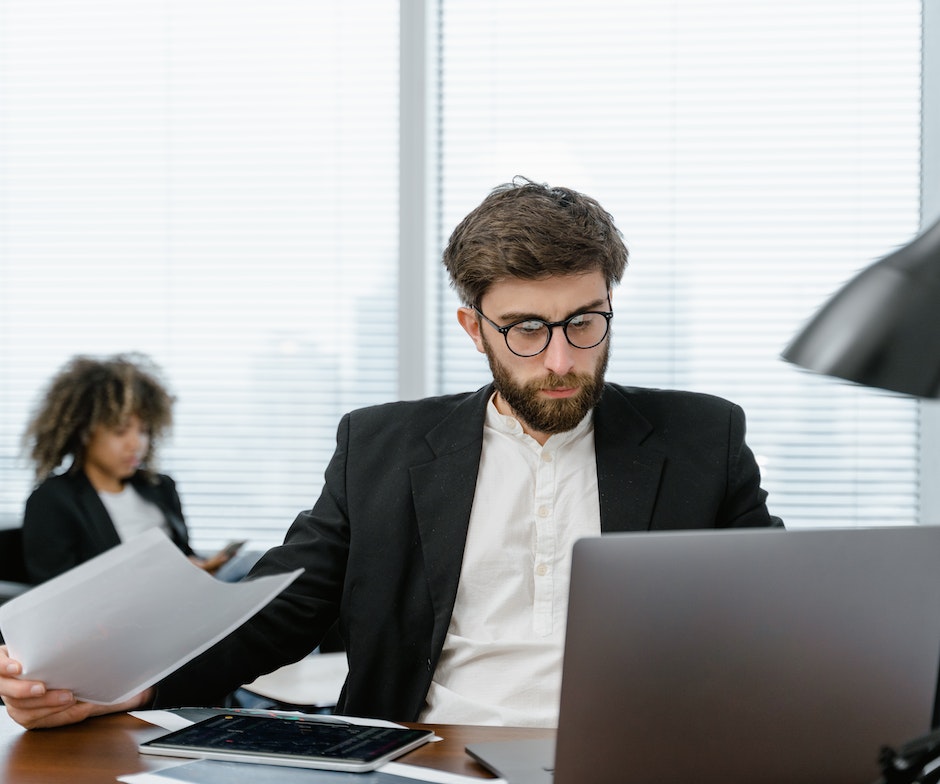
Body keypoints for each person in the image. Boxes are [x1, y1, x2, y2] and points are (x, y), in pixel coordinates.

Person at [0, 178, 782, 730]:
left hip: (630, 757)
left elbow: (787, 613)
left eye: (585, 322)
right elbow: (284, 609)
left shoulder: (700, 439)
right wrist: (125, 688)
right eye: (526, 329)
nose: (559, 360)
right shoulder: (381, 446)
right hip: (428, 755)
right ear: (474, 328)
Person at [18, 353, 237, 584]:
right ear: (84, 432)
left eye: (143, 431)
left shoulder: (161, 487)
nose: (136, 444)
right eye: (120, 431)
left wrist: (198, 566)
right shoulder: (53, 500)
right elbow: (55, 594)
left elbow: (183, 554)